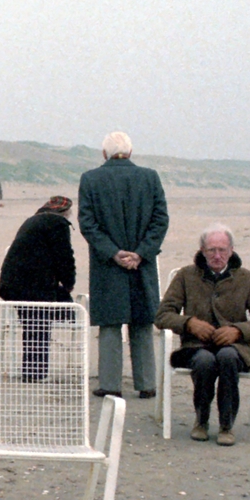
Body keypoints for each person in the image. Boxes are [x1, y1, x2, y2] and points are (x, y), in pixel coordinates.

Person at [155, 223, 250, 445]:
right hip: (195, 347)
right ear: (202, 251)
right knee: (205, 360)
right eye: (212, 250)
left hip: (236, 348)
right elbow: (162, 315)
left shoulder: (247, 279)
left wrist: (239, 331)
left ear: (231, 250)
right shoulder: (185, 276)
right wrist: (189, 323)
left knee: (226, 357)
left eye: (222, 250)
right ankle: (201, 420)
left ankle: (226, 425)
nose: (217, 255)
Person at [78, 131, 168, 399]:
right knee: (141, 321)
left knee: (110, 324)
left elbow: (88, 224)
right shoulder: (149, 177)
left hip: (108, 264)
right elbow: (160, 220)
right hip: (141, 263)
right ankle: (146, 383)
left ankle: (110, 384)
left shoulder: (91, 179)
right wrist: (140, 253)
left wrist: (114, 253)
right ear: (130, 152)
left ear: (104, 154)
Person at [0, 196, 77, 381]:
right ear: (64, 212)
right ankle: (35, 373)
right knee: (39, 325)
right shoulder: (57, 224)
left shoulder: (34, 220)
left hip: (13, 282)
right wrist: (68, 283)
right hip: (31, 284)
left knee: (33, 325)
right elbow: (64, 256)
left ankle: (32, 371)